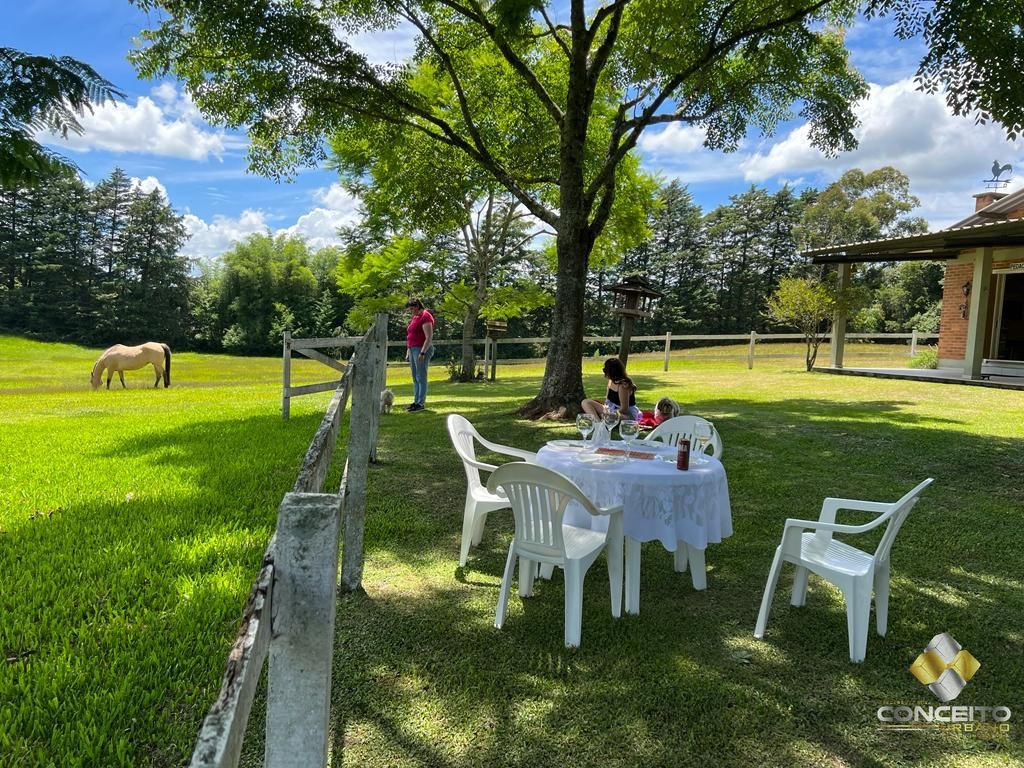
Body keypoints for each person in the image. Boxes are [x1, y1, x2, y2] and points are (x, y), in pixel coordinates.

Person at [581, 357, 642, 422]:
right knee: (585, 402)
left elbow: (624, 409)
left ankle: (600, 421)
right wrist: (604, 410)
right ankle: (598, 423)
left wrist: (609, 412)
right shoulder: (611, 381)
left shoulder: (623, 385)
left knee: (606, 416)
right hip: (610, 410)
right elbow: (607, 401)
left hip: (626, 415)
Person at [404, 297, 434, 411]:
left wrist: (422, 352)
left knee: (421, 377)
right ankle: (416, 401)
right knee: (415, 377)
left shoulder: (425, 316)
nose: (411, 311)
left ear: (417, 306)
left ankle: (420, 403)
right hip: (412, 349)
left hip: (421, 349)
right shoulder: (415, 317)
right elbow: (410, 335)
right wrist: (408, 351)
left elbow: (429, 337)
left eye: (412, 309)